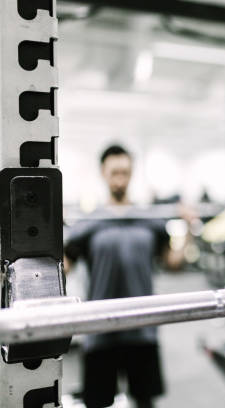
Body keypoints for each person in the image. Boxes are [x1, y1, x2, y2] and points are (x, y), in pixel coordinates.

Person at [64, 145, 184, 408]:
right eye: (114, 172)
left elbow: (173, 263)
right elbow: (63, 268)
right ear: (103, 174)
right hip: (100, 328)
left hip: (142, 328)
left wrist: (189, 228)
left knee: (145, 400)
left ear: (131, 174)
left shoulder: (150, 220)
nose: (120, 178)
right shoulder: (89, 222)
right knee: (98, 401)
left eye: (125, 172)